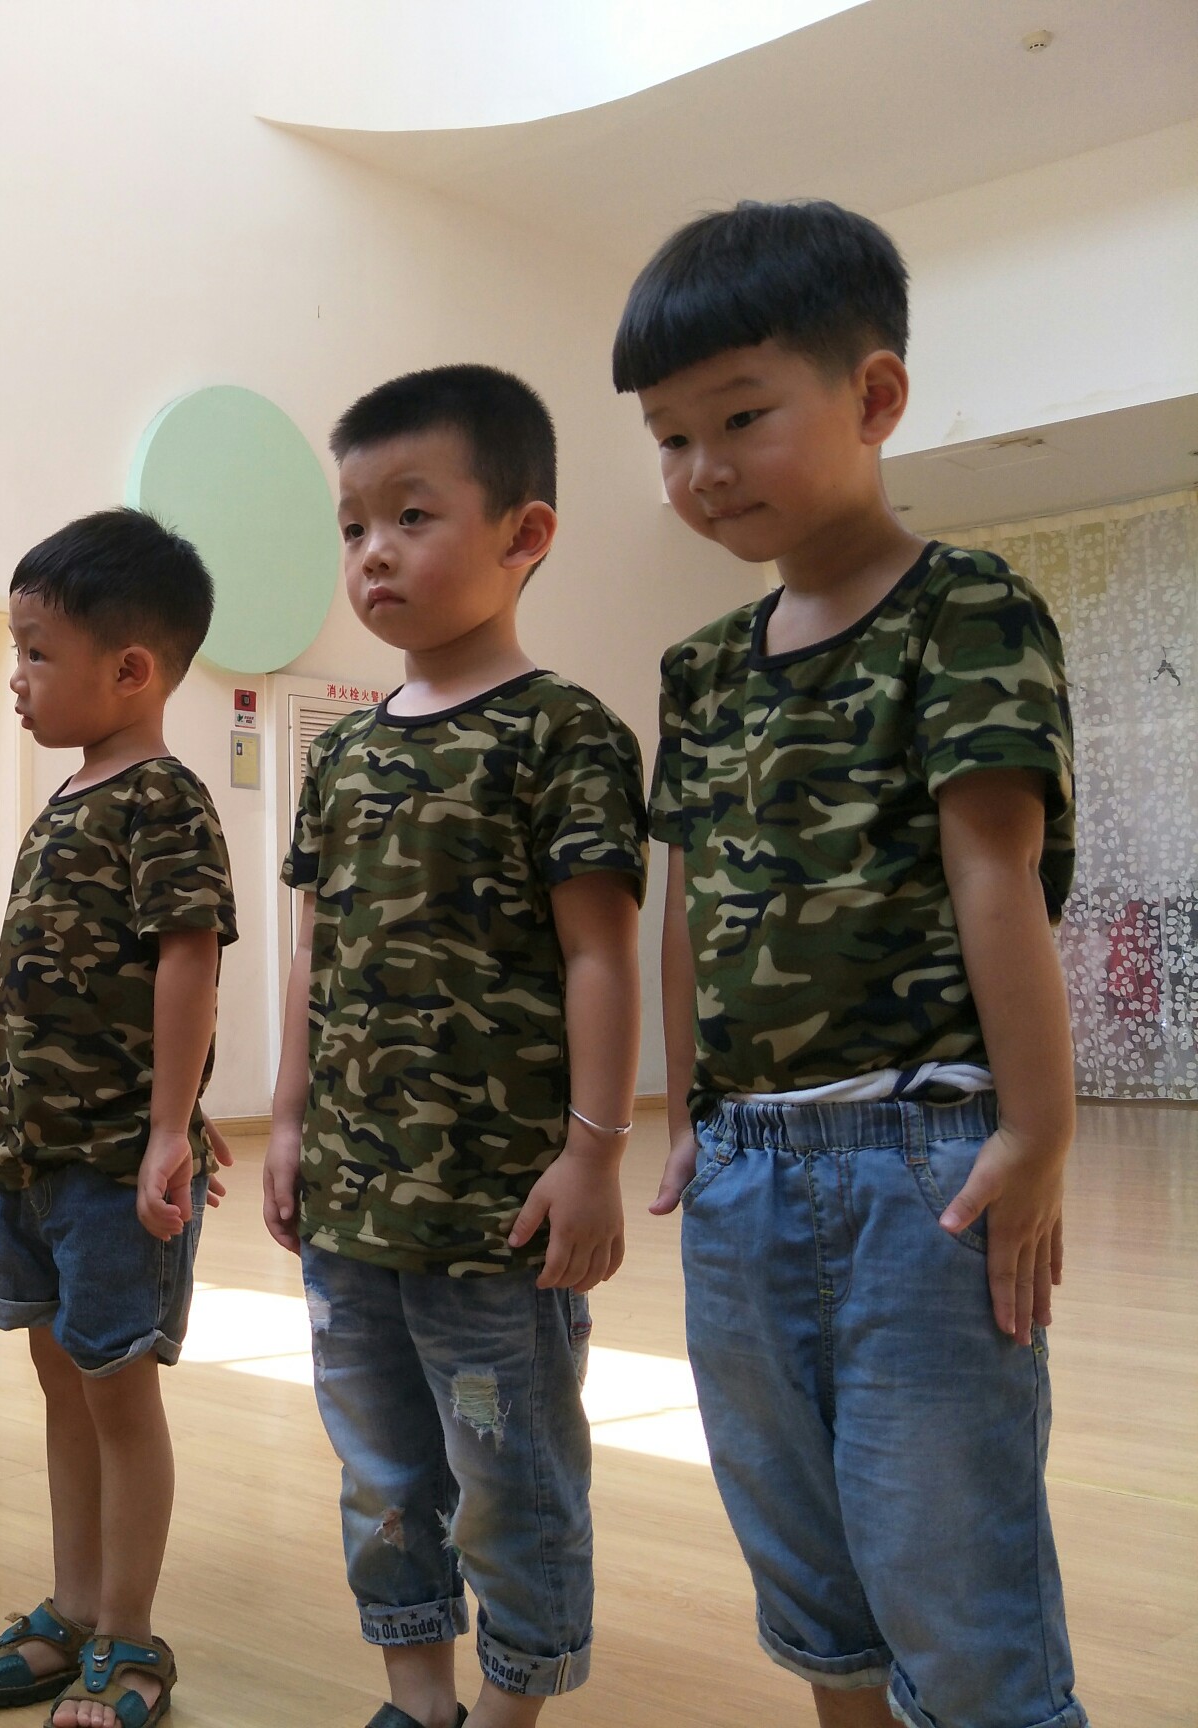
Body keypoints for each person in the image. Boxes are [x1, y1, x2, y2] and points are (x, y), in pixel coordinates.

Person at [618, 200, 1084, 1728]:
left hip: (922, 1163)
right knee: (810, 1579)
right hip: (742, 1171)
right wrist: (688, 1114)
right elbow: (686, 903)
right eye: (670, 437)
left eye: (740, 417)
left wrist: (1036, 1133)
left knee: (952, 1575)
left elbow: (995, 873)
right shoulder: (699, 670)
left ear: (874, 397)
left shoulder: (967, 611)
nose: (702, 468)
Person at [263, 367, 647, 1728]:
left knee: (510, 1476)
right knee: (380, 1472)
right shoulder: (343, 755)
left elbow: (602, 955)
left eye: (411, 516)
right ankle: (416, 1696)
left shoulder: (565, 735)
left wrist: (594, 1156)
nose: (372, 551)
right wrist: (288, 1120)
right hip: (353, 1207)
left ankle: (510, 1704)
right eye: (353, 525)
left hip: (498, 1218)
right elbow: (316, 953)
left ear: (524, 533)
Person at [0, 508, 237, 1728]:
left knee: (117, 1394)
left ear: (130, 670)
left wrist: (172, 1126)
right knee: (61, 1382)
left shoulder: (163, 799)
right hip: (31, 1161)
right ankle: (72, 1608)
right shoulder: (67, 798)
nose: (16, 677)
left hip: (115, 1169)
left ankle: (128, 1633)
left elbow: (189, 961)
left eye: (36, 652)